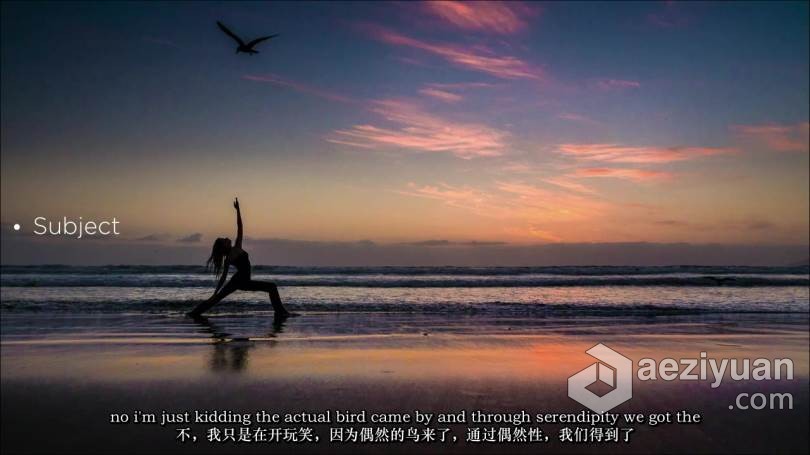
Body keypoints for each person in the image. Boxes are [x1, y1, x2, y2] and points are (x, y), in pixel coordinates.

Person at [188, 198, 289, 317]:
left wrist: (238, 210)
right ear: (223, 247)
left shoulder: (237, 247)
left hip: (240, 281)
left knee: (217, 299)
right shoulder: (230, 257)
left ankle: (194, 313)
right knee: (271, 287)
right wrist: (215, 292)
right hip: (242, 281)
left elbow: (240, 226)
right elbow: (223, 277)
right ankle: (281, 313)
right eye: (224, 240)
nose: (226, 238)